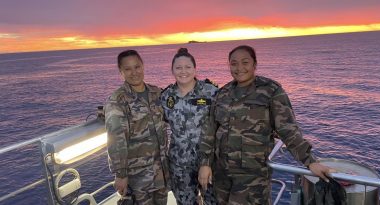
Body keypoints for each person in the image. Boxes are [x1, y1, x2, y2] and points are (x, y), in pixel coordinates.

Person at [198, 45, 332, 204]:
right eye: (234, 63)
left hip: (253, 177)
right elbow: (209, 131)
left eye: (245, 62)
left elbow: (288, 131)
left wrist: (310, 161)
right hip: (221, 175)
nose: (239, 68)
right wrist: (204, 164)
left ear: (255, 64)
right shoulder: (222, 93)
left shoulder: (271, 91)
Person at [104, 49, 170, 204]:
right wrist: (120, 175)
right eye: (128, 69)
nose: (134, 72)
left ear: (143, 66)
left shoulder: (157, 93)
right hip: (138, 177)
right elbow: (116, 140)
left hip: (161, 171)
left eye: (137, 67)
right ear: (121, 72)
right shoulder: (117, 101)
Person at [160, 48, 218, 205]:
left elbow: (222, 124)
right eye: (178, 68)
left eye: (188, 67)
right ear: (172, 70)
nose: (183, 71)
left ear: (195, 68)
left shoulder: (211, 92)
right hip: (180, 164)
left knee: (214, 201)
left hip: (209, 162)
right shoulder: (166, 97)